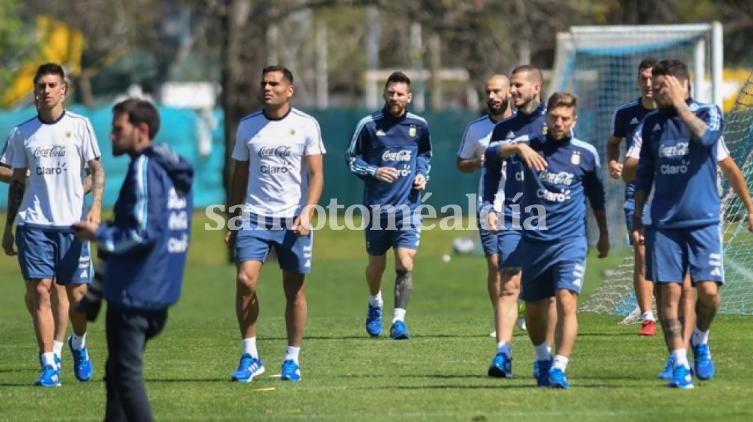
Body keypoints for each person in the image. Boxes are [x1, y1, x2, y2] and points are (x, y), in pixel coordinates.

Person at [632, 59, 753, 389]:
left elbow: (708, 138)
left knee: (710, 295)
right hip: (664, 224)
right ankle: (681, 362)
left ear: (685, 87)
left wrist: (681, 108)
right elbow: (643, 176)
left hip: (703, 222)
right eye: (655, 89)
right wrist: (638, 217)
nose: (658, 95)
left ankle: (700, 338)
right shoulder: (651, 125)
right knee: (668, 294)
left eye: (664, 88)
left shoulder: (707, 112)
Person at [72, 98, 193, 421]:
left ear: (141, 130)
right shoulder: (172, 168)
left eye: (118, 129)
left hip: (134, 292)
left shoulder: (144, 167)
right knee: (116, 374)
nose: (111, 135)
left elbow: (142, 232)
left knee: (126, 379)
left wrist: (98, 234)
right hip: (158, 290)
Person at [495, 92, 609, 388]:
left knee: (566, 300)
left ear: (574, 120)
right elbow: (490, 154)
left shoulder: (585, 153)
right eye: (554, 117)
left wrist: (604, 234)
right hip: (534, 240)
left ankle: (559, 365)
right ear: (547, 117)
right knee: (533, 308)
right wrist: (518, 148)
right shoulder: (530, 146)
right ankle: (542, 356)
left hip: (570, 241)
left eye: (565, 119)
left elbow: (597, 197)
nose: (559, 123)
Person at [2, 63, 103, 387]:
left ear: (64, 90)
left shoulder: (81, 125)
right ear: (35, 91)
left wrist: (95, 208)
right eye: (41, 86)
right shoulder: (22, 133)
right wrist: (8, 227)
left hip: (72, 225)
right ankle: (49, 364)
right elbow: (16, 183)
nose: (46, 91)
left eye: (52, 85)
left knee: (77, 299)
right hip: (34, 225)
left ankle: (78, 343)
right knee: (41, 291)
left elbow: (96, 170)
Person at [226, 65, 325, 382]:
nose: (267, 88)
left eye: (274, 83)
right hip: (254, 216)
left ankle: (292, 358)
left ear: (289, 90)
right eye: (264, 83)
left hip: (292, 218)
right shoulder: (247, 126)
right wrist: (232, 216)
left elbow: (317, 174)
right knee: (245, 280)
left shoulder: (306, 125)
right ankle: (250, 355)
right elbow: (239, 175)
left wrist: (308, 211)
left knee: (293, 290)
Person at [481, 64, 556, 378]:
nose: (512, 91)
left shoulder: (552, 123)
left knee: (545, 295)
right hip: (512, 216)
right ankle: (503, 354)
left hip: (546, 218)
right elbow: (490, 167)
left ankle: (544, 358)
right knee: (509, 286)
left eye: (517, 86)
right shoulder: (503, 129)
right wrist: (487, 205)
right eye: (510, 86)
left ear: (536, 88)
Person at [346, 71, 432, 340]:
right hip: (377, 209)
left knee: (405, 264)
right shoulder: (369, 125)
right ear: (384, 94)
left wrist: (422, 174)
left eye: (400, 93)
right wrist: (373, 171)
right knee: (376, 266)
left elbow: (425, 155)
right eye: (390, 92)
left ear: (409, 97)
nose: (395, 97)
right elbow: (351, 158)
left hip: (408, 207)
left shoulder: (419, 126)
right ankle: (375, 303)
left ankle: (398, 321)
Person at [456, 74, 520, 336]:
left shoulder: (524, 125)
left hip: (523, 204)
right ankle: (502, 318)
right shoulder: (476, 129)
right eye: (488, 92)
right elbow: (461, 163)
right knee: (495, 264)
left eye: (497, 91)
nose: (492, 97)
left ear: (509, 93)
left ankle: (523, 306)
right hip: (490, 205)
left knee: (519, 263)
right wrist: (477, 162)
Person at [605, 58, 658, 336]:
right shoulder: (626, 114)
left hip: (670, 193)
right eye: (643, 78)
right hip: (635, 192)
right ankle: (648, 317)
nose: (648, 84)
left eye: (652, 78)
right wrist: (613, 162)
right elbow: (613, 143)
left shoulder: (675, 113)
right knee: (641, 251)